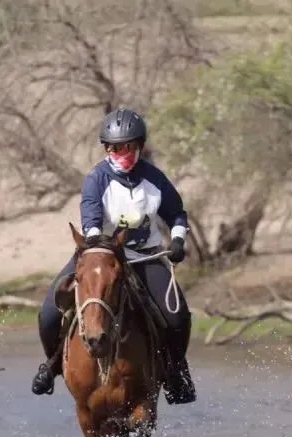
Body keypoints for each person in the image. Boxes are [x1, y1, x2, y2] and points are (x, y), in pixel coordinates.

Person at [29, 108, 196, 404]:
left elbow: (176, 214)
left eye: (125, 146)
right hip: (99, 257)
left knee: (178, 315)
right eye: (112, 147)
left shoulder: (155, 178)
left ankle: (176, 372)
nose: (119, 152)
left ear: (139, 146)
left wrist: (179, 240)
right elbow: (91, 221)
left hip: (144, 258)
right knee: (49, 313)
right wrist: (101, 250)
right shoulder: (96, 179)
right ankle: (53, 364)